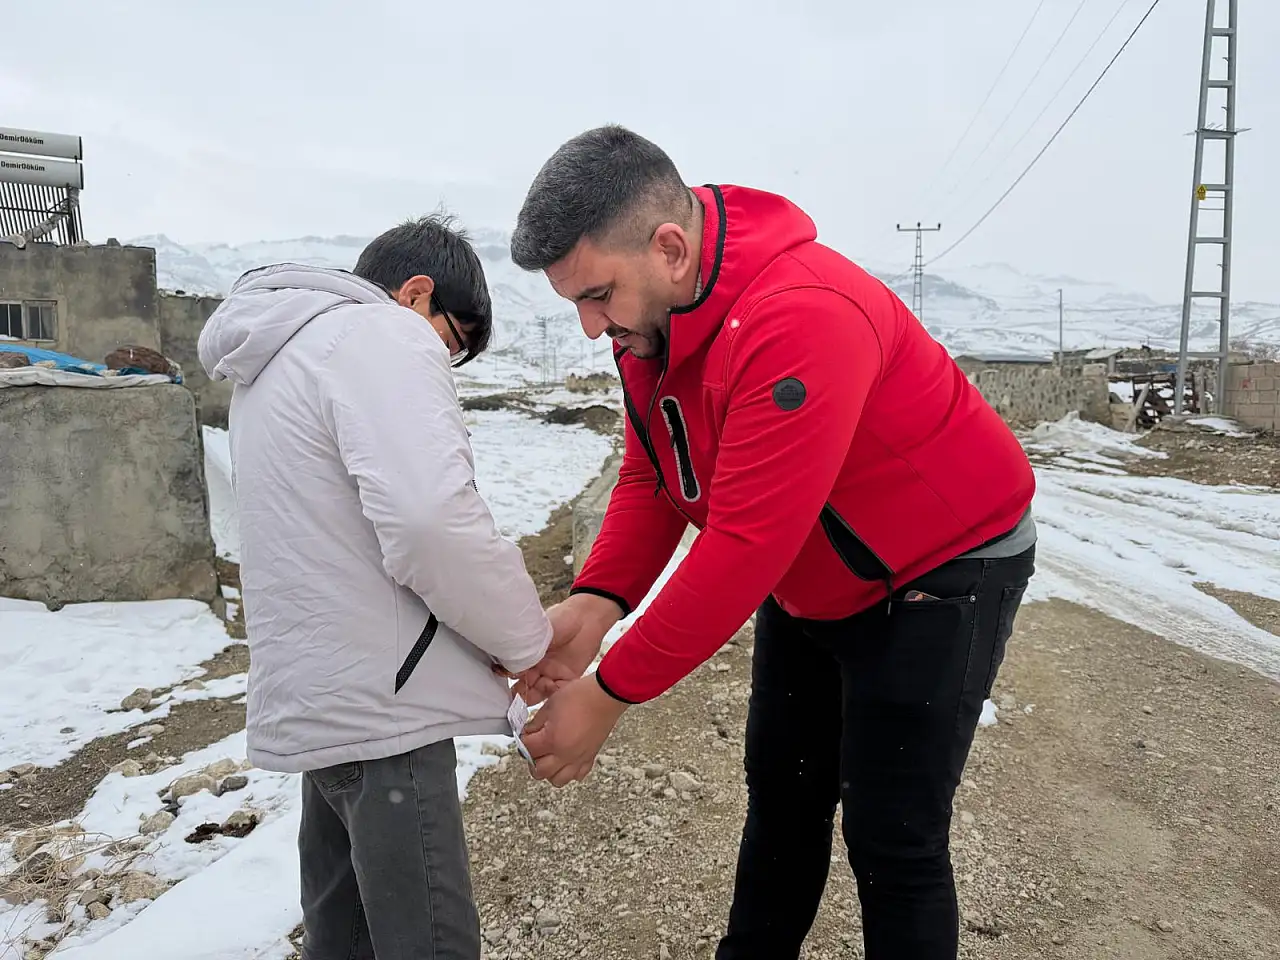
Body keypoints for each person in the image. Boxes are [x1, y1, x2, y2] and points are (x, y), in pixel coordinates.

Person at [507, 126, 1038, 960]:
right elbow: (655, 471)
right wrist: (595, 601)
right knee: (784, 798)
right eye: (574, 301)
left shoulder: (802, 315)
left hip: (943, 565)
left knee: (892, 832)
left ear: (671, 248)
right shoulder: (649, 321)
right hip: (814, 570)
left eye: (597, 295)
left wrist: (608, 692)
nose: (587, 326)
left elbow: (744, 545)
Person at [197, 215, 551, 960]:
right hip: (386, 710)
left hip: (324, 702)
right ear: (417, 293)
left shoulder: (279, 355)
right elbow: (430, 522)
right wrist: (525, 643)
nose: (440, 360)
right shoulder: (381, 334)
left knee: (344, 936)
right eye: (449, 343)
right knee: (430, 943)